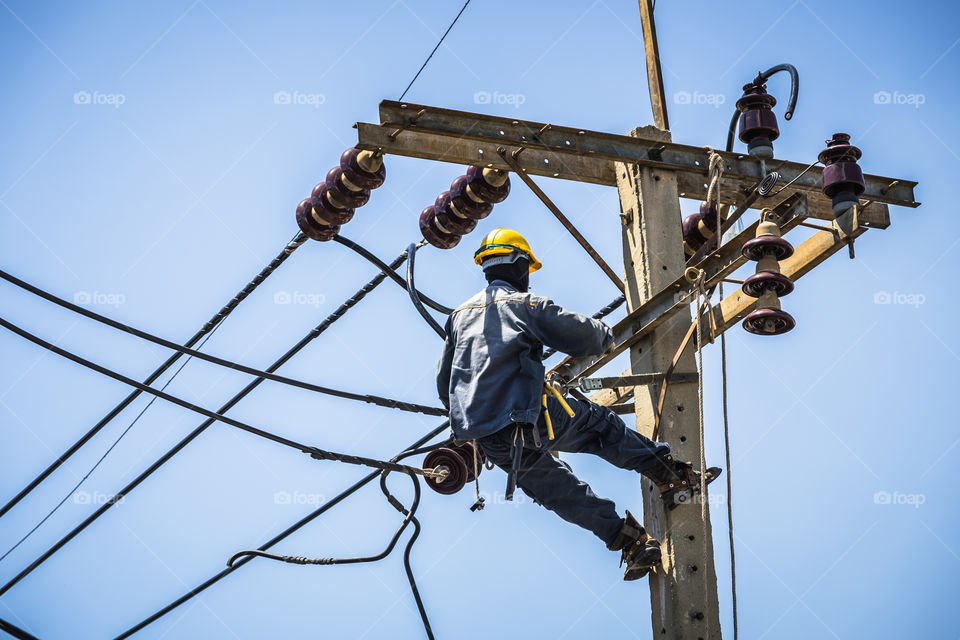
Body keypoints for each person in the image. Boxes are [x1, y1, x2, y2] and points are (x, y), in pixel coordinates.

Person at [436, 228, 719, 580]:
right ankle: (670, 474)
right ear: (519, 264)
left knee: (559, 492)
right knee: (599, 428)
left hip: (489, 438)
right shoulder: (524, 305)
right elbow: (584, 336)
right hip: (528, 417)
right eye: (527, 268)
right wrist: (604, 335)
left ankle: (628, 541)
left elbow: (443, 383)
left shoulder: (459, 316)